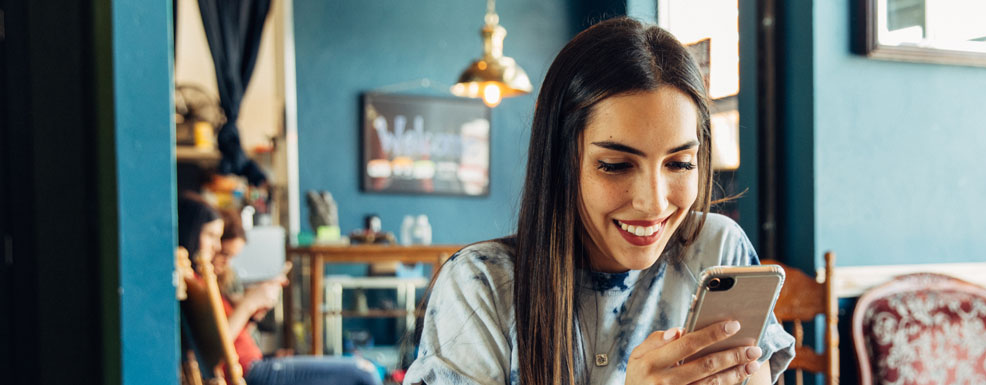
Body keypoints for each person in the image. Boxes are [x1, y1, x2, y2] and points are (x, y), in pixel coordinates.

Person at [403, 17, 796, 385]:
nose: (654, 203)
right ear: (561, 161)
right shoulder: (481, 285)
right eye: (615, 165)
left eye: (679, 163)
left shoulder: (717, 248)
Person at [176, 195, 382, 385]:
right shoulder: (196, 283)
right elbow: (214, 351)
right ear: (190, 230)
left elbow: (226, 338)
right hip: (253, 370)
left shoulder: (198, 281)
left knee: (362, 369)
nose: (216, 246)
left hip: (257, 363)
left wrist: (255, 309)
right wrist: (249, 303)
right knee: (363, 371)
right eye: (211, 236)